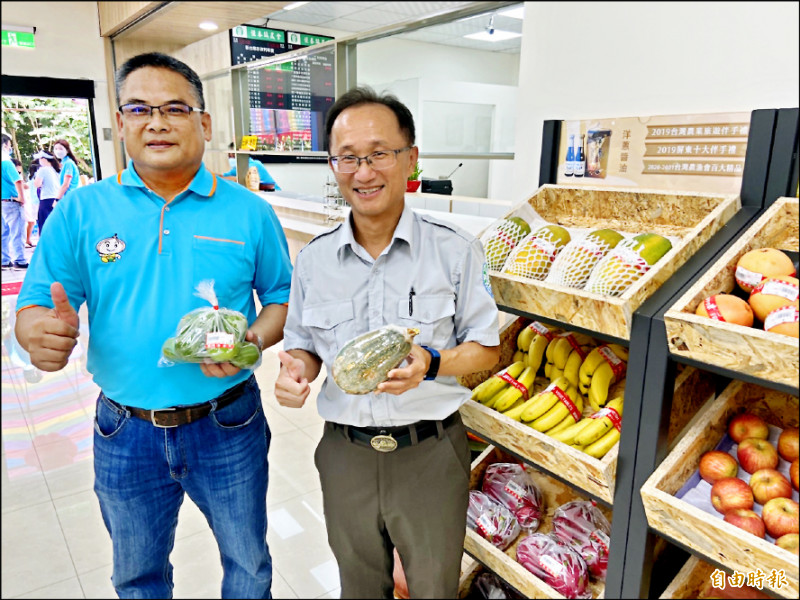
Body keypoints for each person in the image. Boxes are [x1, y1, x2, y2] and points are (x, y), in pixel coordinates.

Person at [15, 52, 293, 599]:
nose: (157, 122)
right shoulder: (82, 211)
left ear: (204, 124)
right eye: (139, 108)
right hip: (125, 430)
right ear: (120, 123)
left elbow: (281, 299)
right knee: (137, 575)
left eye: (175, 108)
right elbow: (34, 306)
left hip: (228, 423)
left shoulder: (249, 212)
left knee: (249, 564)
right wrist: (37, 337)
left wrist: (250, 341)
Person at [274, 86, 501, 598]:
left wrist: (432, 361)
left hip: (431, 452)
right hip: (344, 452)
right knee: (358, 587)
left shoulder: (456, 251)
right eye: (347, 157)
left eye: (378, 154)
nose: (363, 171)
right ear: (333, 165)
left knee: (433, 587)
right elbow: (303, 345)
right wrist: (297, 372)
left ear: (410, 159)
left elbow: (488, 349)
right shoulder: (313, 260)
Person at [1, 133, 28, 270]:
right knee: (17, 232)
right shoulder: (7, 162)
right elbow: (17, 181)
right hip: (11, 202)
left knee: (3, 233)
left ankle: (4, 260)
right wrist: (21, 197)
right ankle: (20, 260)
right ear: (6, 145)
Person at [32, 150, 61, 236]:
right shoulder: (56, 170)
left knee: (44, 223)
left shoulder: (43, 170)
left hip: (46, 199)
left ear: (44, 159)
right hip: (57, 198)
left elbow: (37, 184)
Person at [25, 160, 41, 247]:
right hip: (38, 201)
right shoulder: (37, 177)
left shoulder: (29, 178)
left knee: (34, 222)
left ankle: (29, 240)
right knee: (39, 221)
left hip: (32, 201)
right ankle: (40, 239)